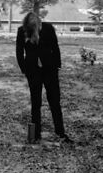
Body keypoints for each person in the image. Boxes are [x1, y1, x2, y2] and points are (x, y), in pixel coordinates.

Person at [16, 11, 72, 144]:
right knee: (36, 103)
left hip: (50, 70)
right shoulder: (22, 31)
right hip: (33, 71)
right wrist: (25, 70)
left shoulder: (48, 28)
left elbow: (55, 47)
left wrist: (57, 65)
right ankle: (35, 135)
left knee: (55, 102)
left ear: (39, 22)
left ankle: (60, 132)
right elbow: (19, 51)